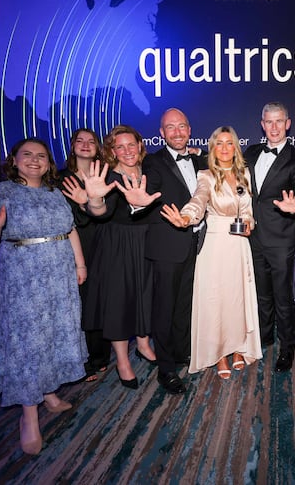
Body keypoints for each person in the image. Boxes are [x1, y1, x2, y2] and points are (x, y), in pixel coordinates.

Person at [0, 138, 87, 456]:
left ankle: (49, 393)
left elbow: (70, 228)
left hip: (60, 276)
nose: (34, 160)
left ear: (48, 163)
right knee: (28, 345)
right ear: (14, 160)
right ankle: (29, 418)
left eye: (41, 156)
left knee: (55, 336)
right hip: (23, 281)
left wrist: (80, 262)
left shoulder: (55, 192)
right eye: (27, 155)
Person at [161, 126, 262, 380]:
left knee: (237, 299)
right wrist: (186, 217)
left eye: (229, 143)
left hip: (239, 245)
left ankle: (239, 347)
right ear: (212, 147)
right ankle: (218, 354)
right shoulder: (205, 175)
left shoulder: (244, 174)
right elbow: (199, 199)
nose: (225, 148)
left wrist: (249, 224)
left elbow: (248, 211)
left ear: (235, 147)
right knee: (216, 302)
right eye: (220, 143)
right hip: (215, 245)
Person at [120, 108, 207, 395]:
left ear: (190, 129)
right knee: (164, 309)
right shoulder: (154, 163)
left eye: (182, 126)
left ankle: (182, 353)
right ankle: (166, 369)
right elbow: (149, 192)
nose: (178, 132)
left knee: (184, 306)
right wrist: (138, 202)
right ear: (162, 133)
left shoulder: (199, 159)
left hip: (196, 244)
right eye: (171, 127)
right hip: (167, 246)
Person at [78, 125, 161, 390]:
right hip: (117, 244)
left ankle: (144, 343)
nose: (127, 151)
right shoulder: (109, 175)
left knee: (146, 295)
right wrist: (94, 199)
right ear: (112, 151)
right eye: (120, 146)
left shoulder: (149, 169)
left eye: (131, 144)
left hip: (146, 240)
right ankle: (122, 361)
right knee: (119, 302)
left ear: (140, 144)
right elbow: (100, 211)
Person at [244, 101, 295, 373]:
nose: (273, 127)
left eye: (278, 121)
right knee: (261, 294)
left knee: (283, 297)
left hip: (281, 239)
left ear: (288, 123)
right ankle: (265, 336)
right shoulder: (250, 152)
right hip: (252, 237)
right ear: (262, 124)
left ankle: (288, 346)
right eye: (268, 122)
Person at [59, 128, 111, 383]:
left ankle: (99, 358)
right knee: (77, 304)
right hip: (70, 248)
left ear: (98, 148)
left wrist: (87, 201)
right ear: (72, 146)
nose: (86, 145)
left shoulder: (105, 175)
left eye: (91, 141)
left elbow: (108, 212)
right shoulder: (59, 179)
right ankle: (78, 358)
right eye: (80, 141)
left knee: (100, 302)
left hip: (103, 243)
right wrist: (80, 202)